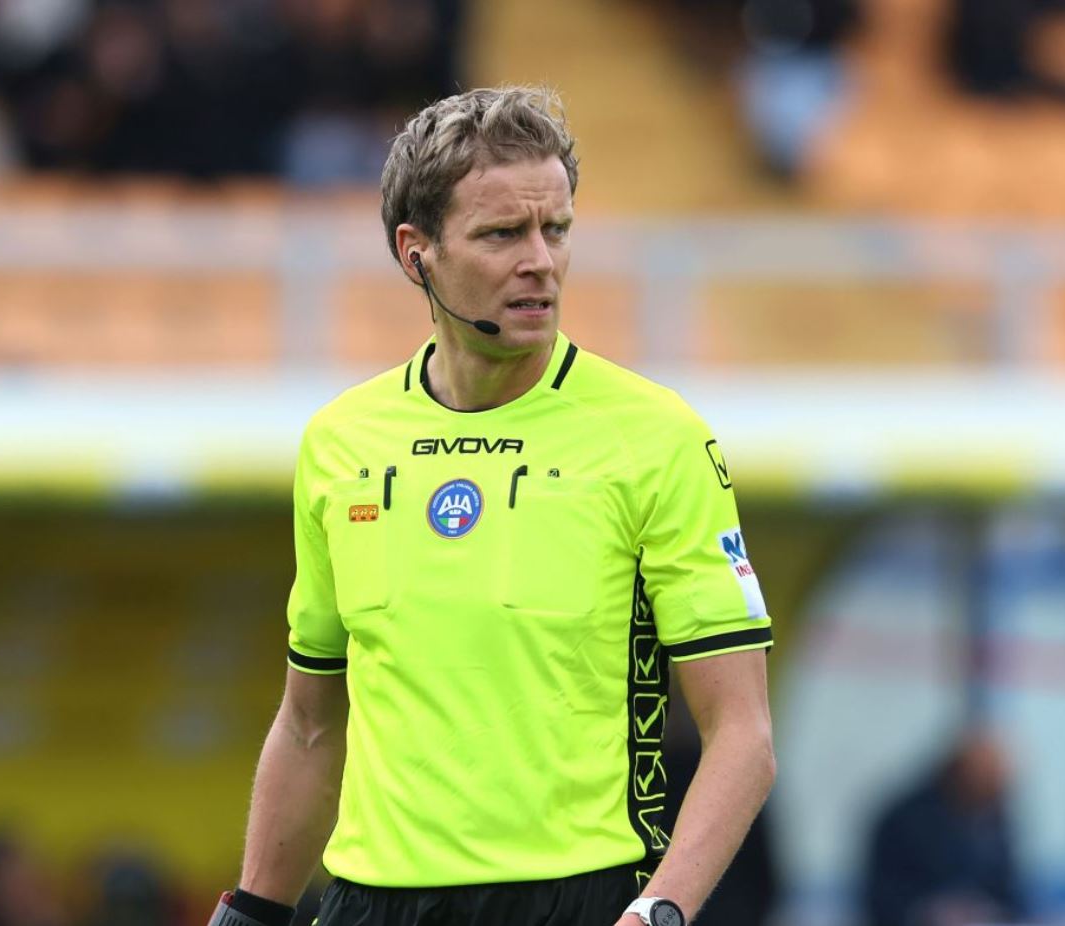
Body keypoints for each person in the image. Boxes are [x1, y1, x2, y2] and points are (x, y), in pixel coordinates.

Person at [209, 85, 775, 926]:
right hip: (368, 906)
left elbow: (743, 736)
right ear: (417, 253)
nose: (540, 260)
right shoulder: (341, 443)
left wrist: (660, 910)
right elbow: (310, 726)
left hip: (582, 902)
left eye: (558, 229)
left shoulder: (656, 438)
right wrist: (251, 913)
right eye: (503, 234)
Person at [861, 729, 1026, 926]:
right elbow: (882, 893)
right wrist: (928, 911)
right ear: (960, 772)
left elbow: (1008, 890)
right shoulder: (905, 819)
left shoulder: (993, 817)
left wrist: (988, 909)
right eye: (984, 781)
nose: (991, 795)